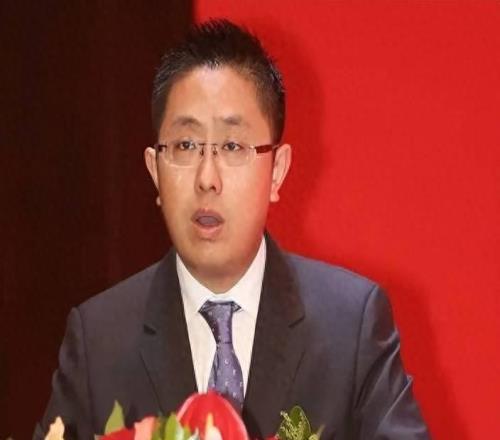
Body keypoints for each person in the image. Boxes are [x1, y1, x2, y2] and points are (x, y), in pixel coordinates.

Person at [34, 19, 430, 440]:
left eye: (232, 146)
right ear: (154, 170)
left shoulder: (351, 326)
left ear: (277, 170)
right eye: (186, 146)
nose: (207, 178)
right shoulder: (98, 340)